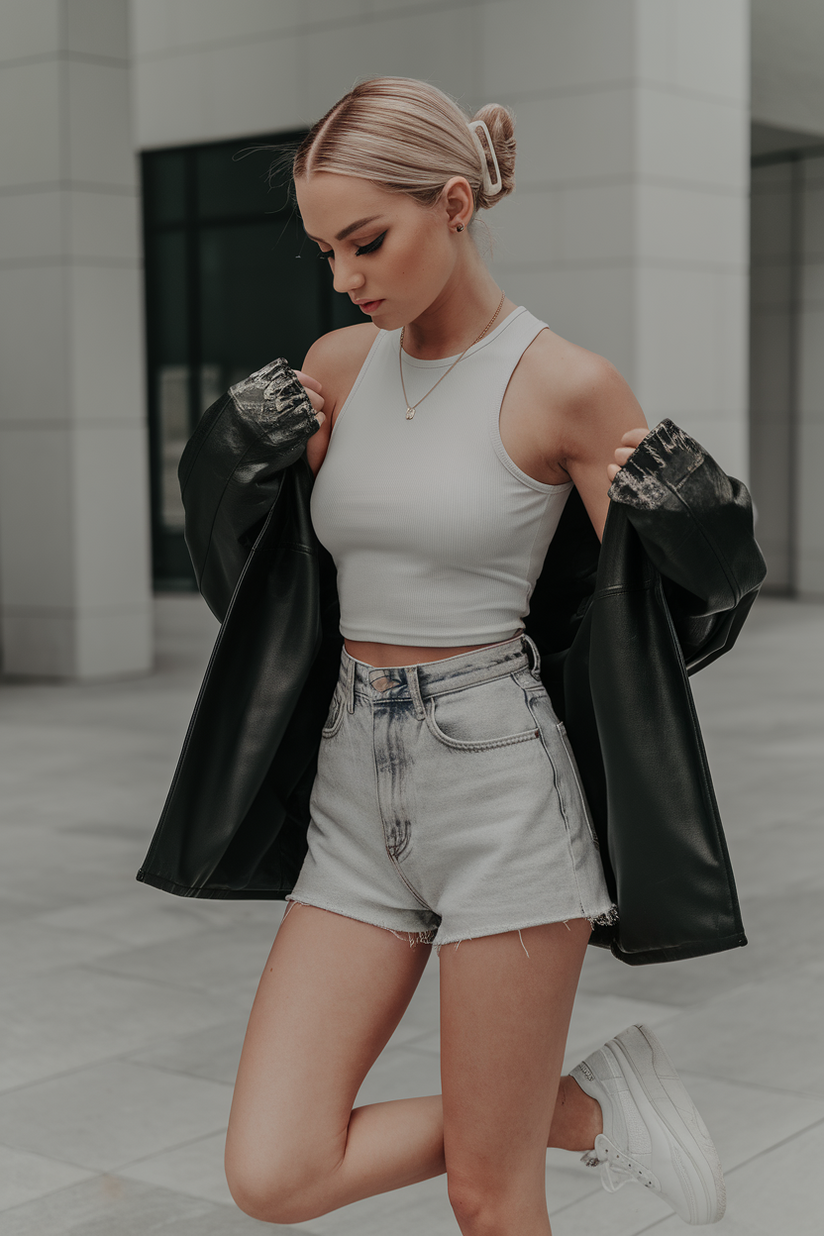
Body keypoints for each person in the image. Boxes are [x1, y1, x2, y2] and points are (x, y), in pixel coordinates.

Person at [137, 78, 765, 1234]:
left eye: (366, 241)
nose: (345, 277)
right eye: (327, 250)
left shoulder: (564, 387)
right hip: (349, 787)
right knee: (274, 1173)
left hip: (499, 790)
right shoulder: (332, 368)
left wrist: (711, 536)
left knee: (488, 1191)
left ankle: (527, 1121)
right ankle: (578, 1110)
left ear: (456, 202)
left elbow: (664, 620)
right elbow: (262, 597)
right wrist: (218, 472)